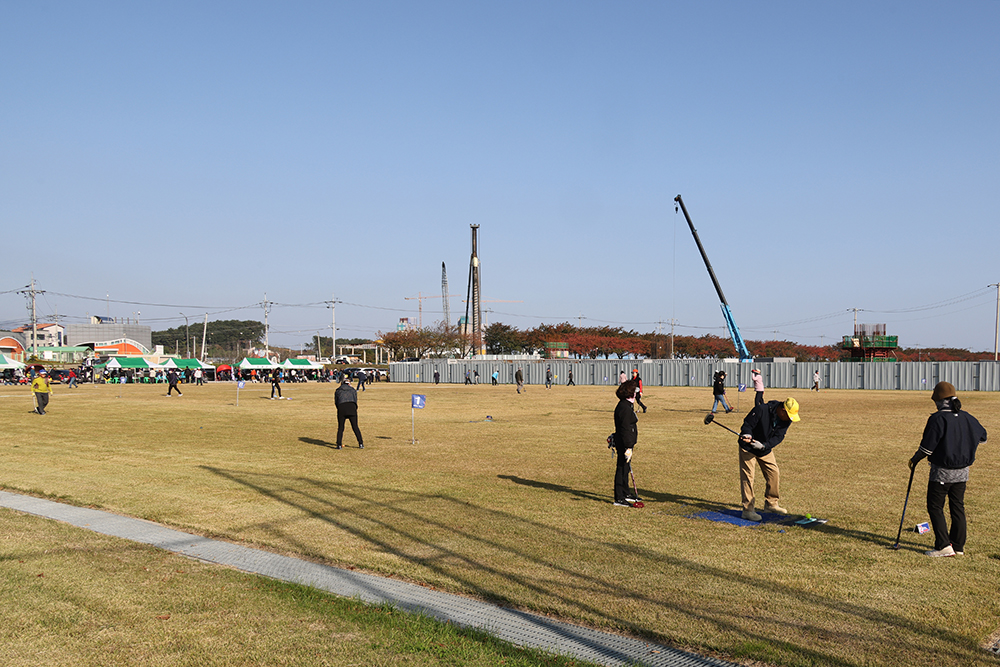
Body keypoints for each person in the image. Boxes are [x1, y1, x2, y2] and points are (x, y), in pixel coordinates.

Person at [909, 381, 987, 557]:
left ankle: (943, 546)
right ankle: (958, 546)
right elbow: (983, 438)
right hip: (963, 472)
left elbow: (926, 449)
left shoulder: (937, 418)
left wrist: (914, 460)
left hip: (942, 472)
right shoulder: (967, 417)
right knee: (957, 507)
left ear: (938, 400)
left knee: (935, 506)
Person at [737, 397, 800, 521]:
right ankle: (748, 510)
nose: (790, 419)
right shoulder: (761, 410)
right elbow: (747, 425)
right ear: (782, 410)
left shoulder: (786, 419)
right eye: (788, 415)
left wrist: (764, 446)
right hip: (748, 448)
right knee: (748, 477)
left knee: (773, 472)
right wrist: (748, 434)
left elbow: (779, 436)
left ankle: (771, 504)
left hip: (764, 448)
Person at [612, 379, 640, 506]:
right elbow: (625, 428)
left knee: (626, 468)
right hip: (624, 443)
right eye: (634, 392)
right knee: (621, 468)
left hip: (628, 443)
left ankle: (625, 492)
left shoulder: (628, 405)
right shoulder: (623, 407)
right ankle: (619, 497)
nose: (636, 394)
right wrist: (628, 447)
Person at [334, 376, 364, 449]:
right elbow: (355, 400)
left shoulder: (338, 390)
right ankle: (361, 443)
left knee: (341, 428)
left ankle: (339, 445)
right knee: (355, 427)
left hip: (342, 407)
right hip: (352, 407)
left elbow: (336, 402)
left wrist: (339, 408)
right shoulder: (352, 390)